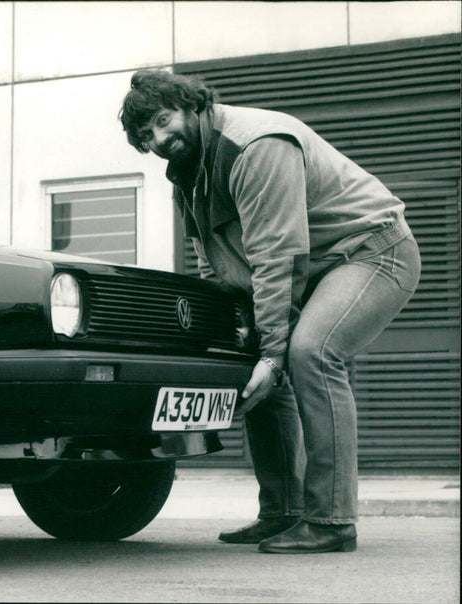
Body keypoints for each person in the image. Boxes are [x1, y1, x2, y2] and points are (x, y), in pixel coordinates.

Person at [119, 69, 421, 554]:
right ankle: (283, 511)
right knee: (259, 365)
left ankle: (331, 521)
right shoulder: (188, 173)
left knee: (310, 353)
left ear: (191, 105)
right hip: (311, 267)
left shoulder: (256, 146)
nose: (159, 139)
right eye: (146, 135)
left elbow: (278, 256)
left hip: (371, 250)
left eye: (162, 120)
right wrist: (243, 338)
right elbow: (213, 263)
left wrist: (274, 353)